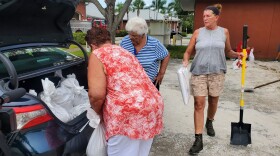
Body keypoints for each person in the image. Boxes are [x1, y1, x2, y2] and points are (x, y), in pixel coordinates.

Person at [85, 26, 164, 156]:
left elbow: (96, 95)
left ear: (93, 46)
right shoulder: (125, 52)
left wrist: (98, 113)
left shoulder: (97, 54)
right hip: (152, 106)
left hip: (126, 113)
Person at [182, 4, 243, 155]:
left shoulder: (224, 32)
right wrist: (185, 62)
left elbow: (228, 51)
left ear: (217, 17)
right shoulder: (198, 33)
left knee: (214, 101)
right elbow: (188, 52)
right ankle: (198, 139)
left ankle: (209, 121)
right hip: (199, 72)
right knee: (199, 103)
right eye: (203, 16)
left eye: (208, 16)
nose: (205, 18)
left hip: (217, 72)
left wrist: (237, 55)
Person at [120, 16, 170, 90]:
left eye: (134, 35)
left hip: (149, 85)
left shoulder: (154, 44)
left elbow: (166, 55)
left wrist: (161, 73)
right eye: (129, 34)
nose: (130, 37)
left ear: (143, 34)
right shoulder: (125, 41)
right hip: (130, 85)